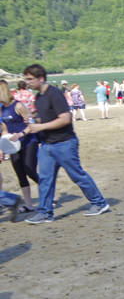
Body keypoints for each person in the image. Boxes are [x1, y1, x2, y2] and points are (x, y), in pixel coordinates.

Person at [20, 64, 110, 224]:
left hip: (64, 143)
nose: (27, 82)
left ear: (41, 78)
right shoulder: (39, 97)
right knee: (45, 179)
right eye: (26, 79)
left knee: (77, 175)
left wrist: (40, 126)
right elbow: (46, 119)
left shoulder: (54, 94)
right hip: (47, 145)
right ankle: (45, 212)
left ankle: (99, 203)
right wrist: (34, 120)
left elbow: (65, 118)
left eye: (30, 79)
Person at [0, 80, 37, 213]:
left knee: (30, 170)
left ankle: (51, 195)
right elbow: (4, 130)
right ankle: (28, 205)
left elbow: (30, 125)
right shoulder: (1, 109)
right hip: (13, 145)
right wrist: (2, 147)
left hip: (28, 142)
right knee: (20, 174)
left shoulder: (18, 106)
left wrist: (20, 134)